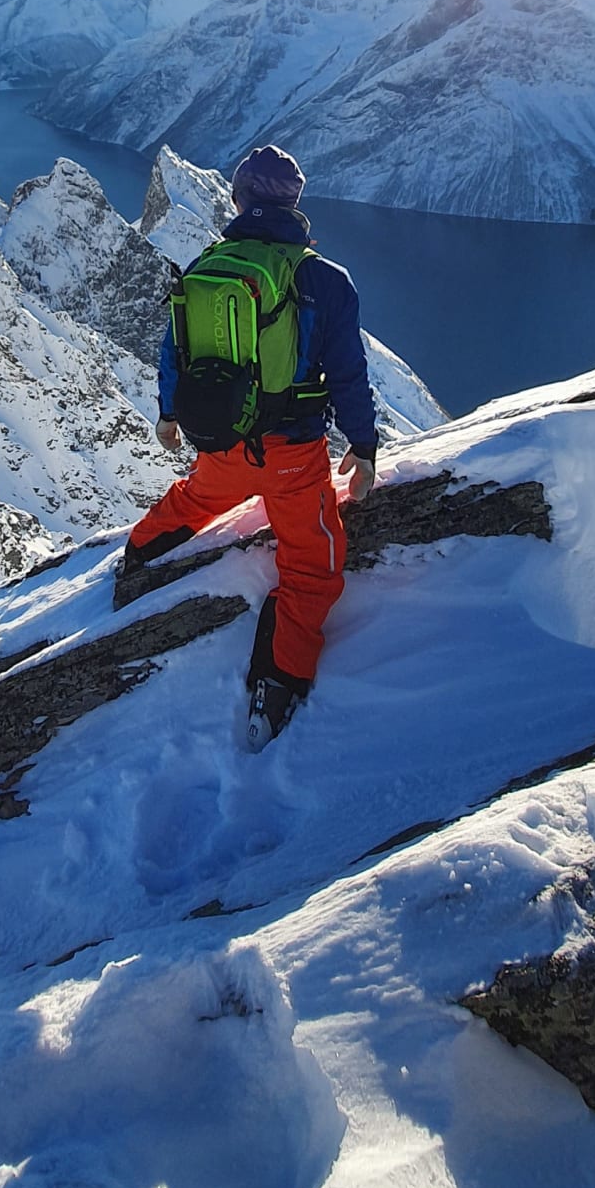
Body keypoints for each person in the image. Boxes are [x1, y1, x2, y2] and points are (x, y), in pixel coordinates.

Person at [118, 144, 378, 745]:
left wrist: (168, 414)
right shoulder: (324, 280)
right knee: (312, 563)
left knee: (193, 499)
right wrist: (362, 448)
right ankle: (277, 683)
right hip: (292, 457)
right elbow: (347, 375)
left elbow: (173, 349)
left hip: (223, 445)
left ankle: (137, 556)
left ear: (238, 200)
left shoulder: (209, 264)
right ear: (294, 202)